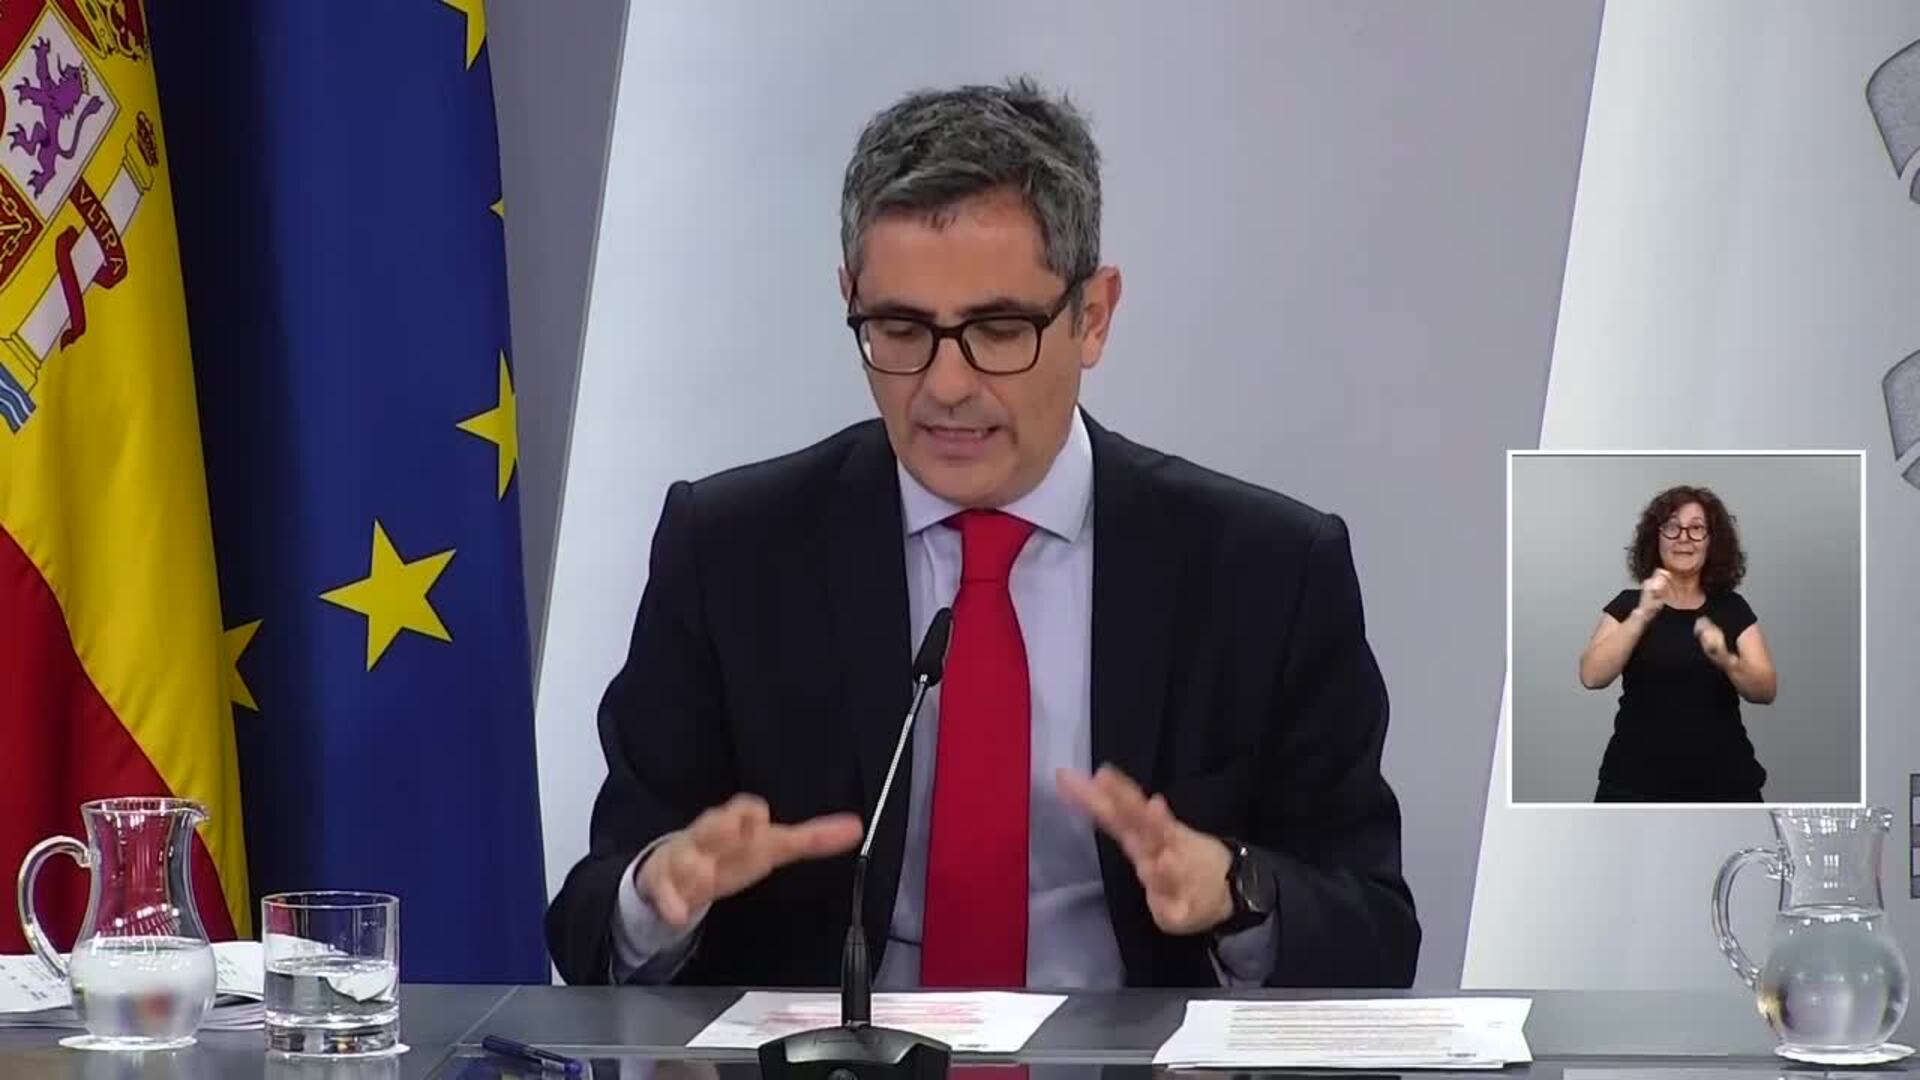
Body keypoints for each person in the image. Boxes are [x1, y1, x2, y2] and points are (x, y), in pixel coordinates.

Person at [545, 79, 1419, 990]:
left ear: (1093, 316)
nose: (946, 385)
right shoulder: (731, 553)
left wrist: (1237, 892)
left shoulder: (1266, 572)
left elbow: (1376, 934)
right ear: (851, 299)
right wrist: (659, 899)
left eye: (999, 330)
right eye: (900, 328)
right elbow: (591, 915)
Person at [1577, 485, 1778, 802]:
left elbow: (1765, 691)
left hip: (1725, 784)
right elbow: (1592, 676)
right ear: (1656, 538)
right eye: (1672, 527)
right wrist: (1643, 614)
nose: (1684, 538)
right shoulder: (1628, 605)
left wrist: (1726, 659)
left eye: (1696, 528)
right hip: (1633, 785)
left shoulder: (1732, 609)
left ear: (1711, 541)